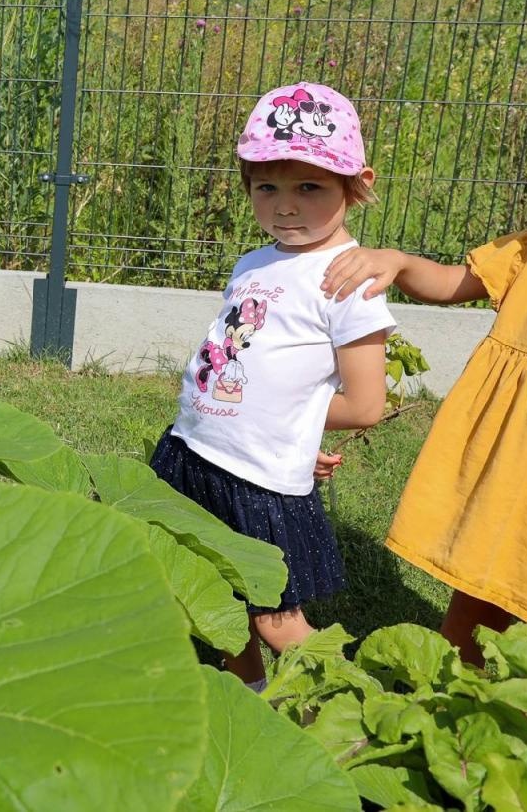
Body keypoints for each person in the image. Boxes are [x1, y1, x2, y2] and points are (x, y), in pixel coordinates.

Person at [151, 82, 393, 685]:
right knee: (215, 596)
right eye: (267, 186)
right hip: (195, 451)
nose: (285, 205)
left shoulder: (349, 279)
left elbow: (365, 404)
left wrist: (293, 429)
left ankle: (357, 704)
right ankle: (249, 688)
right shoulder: (254, 262)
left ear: (355, 184)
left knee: (276, 618)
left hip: (258, 480)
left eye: (308, 187)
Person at [321, 232, 527, 664]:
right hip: (513, 457)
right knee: (484, 564)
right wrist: (400, 262)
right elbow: (452, 282)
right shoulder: (526, 251)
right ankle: (451, 691)